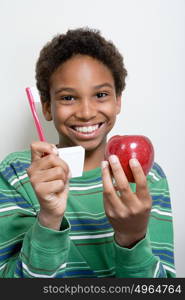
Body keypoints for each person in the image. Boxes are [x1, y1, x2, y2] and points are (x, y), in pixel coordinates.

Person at [0, 28, 175, 278]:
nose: (85, 112)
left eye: (101, 95)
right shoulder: (17, 173)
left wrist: (132, 238)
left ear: (118, 101)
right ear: (47, 107)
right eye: (68, 97)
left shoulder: (146, 175)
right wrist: (48, 219)